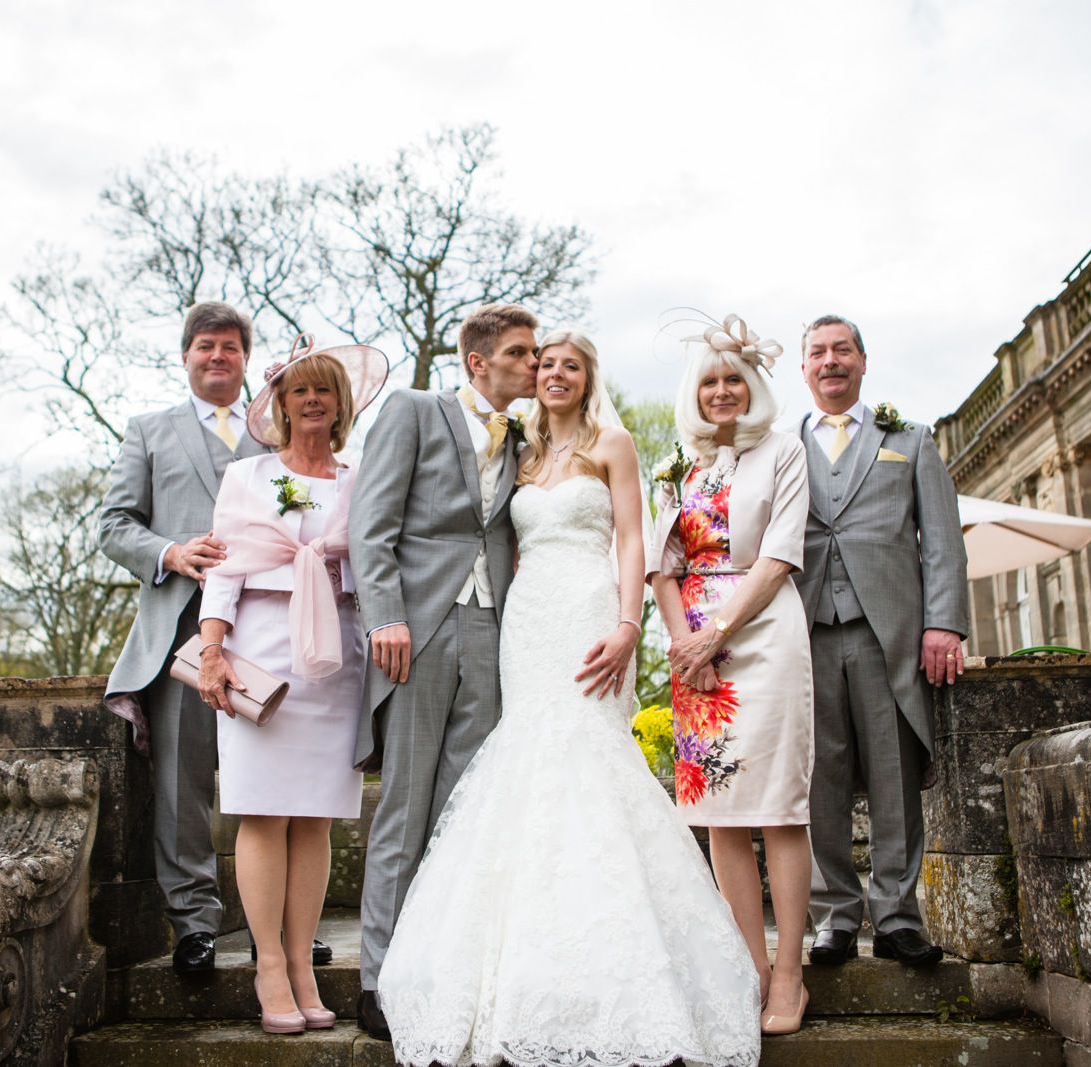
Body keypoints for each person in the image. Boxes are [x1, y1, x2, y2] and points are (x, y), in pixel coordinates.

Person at [377, 330, 761, 1067]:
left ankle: (615, 959)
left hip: (590, 612)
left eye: (570, 366)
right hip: (525, 621)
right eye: (546, 363)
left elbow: (633, 542)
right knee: (525, 757)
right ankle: (519, 959)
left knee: (591, 755)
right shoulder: (519, 451)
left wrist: (628, 625)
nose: (555, 374)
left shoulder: (613, 444)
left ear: (589, 378)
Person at [347, 303, 539, 1041]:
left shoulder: (526, 435)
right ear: (478, 362)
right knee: (404, 804)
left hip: (494, 630)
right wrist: (384, 616)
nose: (533, 364)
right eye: (520, 353)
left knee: (463, 810)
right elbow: (371, 525)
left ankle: (439, 971)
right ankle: (377, 978)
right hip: (416, 628)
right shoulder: (414, 411)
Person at [196, 338, 387, 1034]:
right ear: (280, 402)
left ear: (341, 403)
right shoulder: (248, 475)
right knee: (262, 811)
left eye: (323, 389)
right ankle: (269, 965)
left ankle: (305, 967)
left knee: (315, 816)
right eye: (299, 389)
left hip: (335, 653)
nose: (312, 400)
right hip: (260, 649)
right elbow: (225, 568)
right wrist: (212, 651)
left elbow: (377, 563)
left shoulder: (362, 477)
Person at [647, 313, 815, 1035]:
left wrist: (718, 632)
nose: (721, 392)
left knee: (778, 806)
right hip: (692, 645)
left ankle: (790, 975)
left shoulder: (783, 452)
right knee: (719, 812)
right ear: (695, 392)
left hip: (764, 632)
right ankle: (750, 969)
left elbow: (780, 555)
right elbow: (661, 566)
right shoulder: (676, 467)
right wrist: (686, 643)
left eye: (733, 380)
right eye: (709, 381)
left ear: (752, 386)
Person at [98, 301, 271, 975]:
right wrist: (170, 552)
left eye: (230, 346)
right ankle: (195, 926)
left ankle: (276, 928)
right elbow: (114, 525)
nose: (218, 356)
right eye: (206, 345)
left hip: (269, 627)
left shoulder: (274, 429)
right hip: (180, 636)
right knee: (182, 785)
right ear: (186, 356)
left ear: (246, 359)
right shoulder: (149, 430)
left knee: (275, 779)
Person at [792, 314, 968, 968]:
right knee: (819, 778)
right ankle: (834, 917)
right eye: (818, 352)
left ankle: (896, 917)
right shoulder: (781, 449)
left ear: (862, 361)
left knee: (894, 774)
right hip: (804, 633)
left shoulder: (911, 440)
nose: (830, 361)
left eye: (842, 349)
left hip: (886, 634)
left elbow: (942, 541)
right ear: (804, 368)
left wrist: (943, 622)